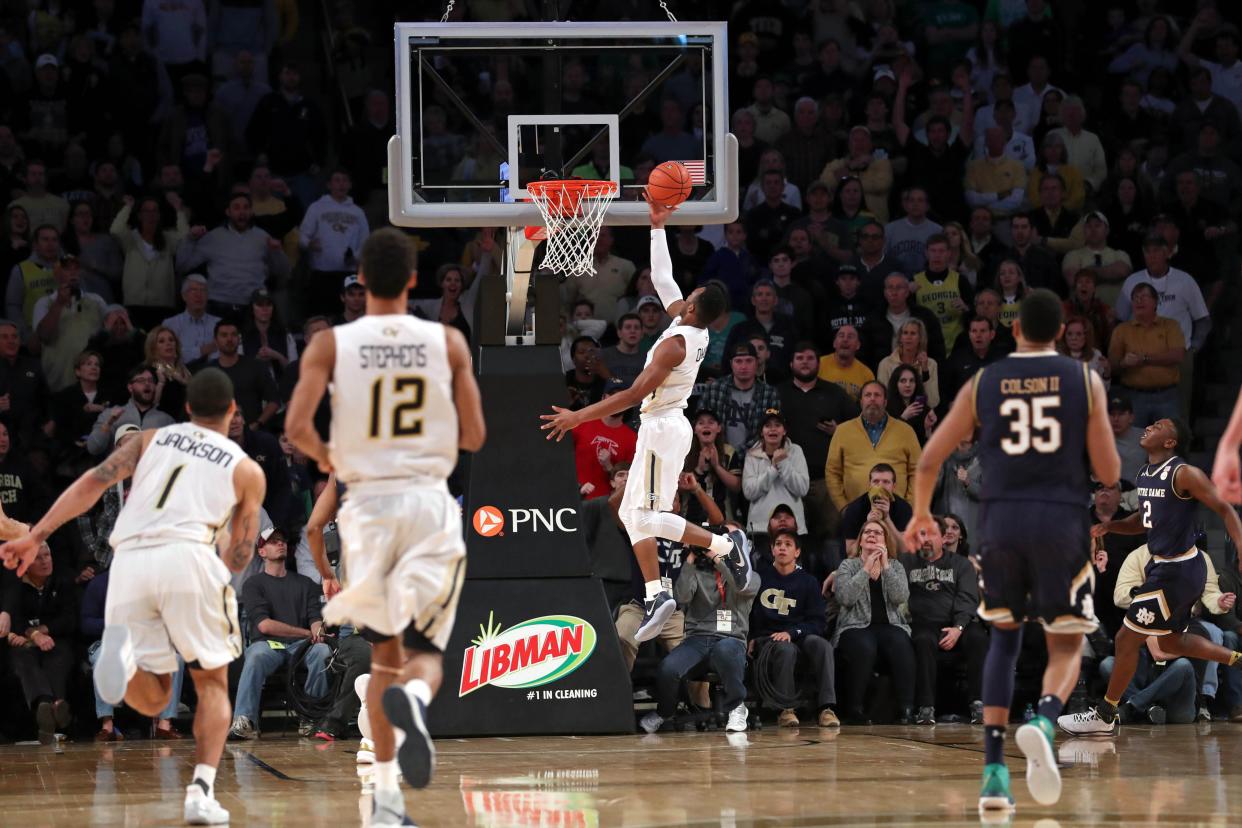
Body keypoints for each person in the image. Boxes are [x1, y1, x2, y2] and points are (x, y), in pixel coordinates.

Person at [1, 368, 267, 824]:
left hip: (127, 561)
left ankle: (121, 663)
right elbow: (240, 555)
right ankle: (201, 791)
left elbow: (90, 484)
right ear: (232, 411)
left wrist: (36, 535)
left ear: (184, 409)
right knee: (211, 685)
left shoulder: (150, 440)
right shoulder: (245, 468)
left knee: (151, 696)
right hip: (188, 557)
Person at [285, 228, 486, 828]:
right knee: (423, 659)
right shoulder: (447, 339)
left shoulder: (330, 345)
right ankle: (417, 706)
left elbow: (297, 428)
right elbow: (474, 436)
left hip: (368, 510)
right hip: (426, 506)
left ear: (361, 282)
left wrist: (334, 456)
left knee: (383, 659)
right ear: (416, 282)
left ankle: (386, 809)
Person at [903, 289, 1120, 816]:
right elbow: (1111, 471)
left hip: (999, 524)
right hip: (1060, 523)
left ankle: (995, 773)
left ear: (1015, 330)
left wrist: (921, 514)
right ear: (1059, 330)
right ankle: (1045, 720)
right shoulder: (1084, 379)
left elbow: (930, 456)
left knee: (1003, 638)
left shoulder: (983, 381)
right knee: (1066, 644)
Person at [542, 199, 750, 646]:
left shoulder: (675, 344)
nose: (682, 297)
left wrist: (579, 414)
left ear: (692, 309)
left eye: (688, 298)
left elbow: (634, 394)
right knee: (631, 514)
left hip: (662, 427)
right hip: (662, 426)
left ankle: (723, 547)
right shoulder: (693, 327)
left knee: (648, 516)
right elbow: (663, 278)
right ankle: (657, 593)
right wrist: (657, 227)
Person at [1058, 418, 1242, 737]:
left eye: (1159, 426)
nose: (1150, 428)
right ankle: (1237, 659)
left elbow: (1225, 509)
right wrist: (1111, 526)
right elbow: (1144, 521)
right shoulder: (1145, 473)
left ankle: (1105, 713)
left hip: (1178, 569)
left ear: (1171, 442)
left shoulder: (1184, 473)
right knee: (1172, 639)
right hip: (1166, 568)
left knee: (1126, 638)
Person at [640, 521, 760, 734]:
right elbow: (682, 597)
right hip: (697, 639)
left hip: (731, 639)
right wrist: (691, 558)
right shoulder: (696, 570)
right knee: (668, 668)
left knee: (726, 651)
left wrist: (717, 558)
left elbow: (743, 588)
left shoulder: (748, 576)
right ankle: (665, 712)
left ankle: (736, 708)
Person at [229, 527, 331, 740]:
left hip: (300, 647)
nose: (280, 543)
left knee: (322, 651)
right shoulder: (253, 584)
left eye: (282, 540)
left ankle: (310, 717)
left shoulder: (306, 584)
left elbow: (315, 619)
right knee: (256, 654)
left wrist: (317, 631)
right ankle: (245, 720)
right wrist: (307, 633)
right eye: (273, 541)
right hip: (269, 645)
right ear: (262, 552)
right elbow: (265, 626)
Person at [901, 518, 988, 725]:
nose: (926, 540)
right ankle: (926, 707)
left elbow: (968, 598)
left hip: (957, 623)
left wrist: (958, 628)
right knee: (923, 640)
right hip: (922, 622)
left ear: (943, 538)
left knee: (978, 638)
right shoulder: (906, 561)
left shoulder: (961, 564)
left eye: (931, 535)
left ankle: (978, 703)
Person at [749, 529, 839, 728]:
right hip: (769, 638)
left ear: (797, 552)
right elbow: (748, 614)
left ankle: (826, 708)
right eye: (778, 544)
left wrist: (793, 632)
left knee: (822, 646)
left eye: (788, 544)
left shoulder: (808, 581)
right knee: (785, 648)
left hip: (799, 634)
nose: (782, 547)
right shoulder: (759, 579)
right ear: (772, 549)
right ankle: (786, 709)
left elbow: (818, 622)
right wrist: (751, 637)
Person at [833, 519, 915, 724]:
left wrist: (885, 566)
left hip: (891, 625)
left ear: (886, 541)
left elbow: (900, 597)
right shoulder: (847, 565)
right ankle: (855, 708)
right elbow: (845, 598)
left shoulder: (895, 565)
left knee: (901, 642)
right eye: (867, 532)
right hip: (854, 625)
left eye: (877, 533)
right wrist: (866, 569)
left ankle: (906, 708)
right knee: (864, 645)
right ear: (860, 541)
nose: (871, 535)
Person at [825, 381, 922, 511]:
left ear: (885, 402)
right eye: (867, 395)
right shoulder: (843, 431)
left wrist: (908, 506)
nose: (872, 399)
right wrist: (843, 507)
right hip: (855, 511)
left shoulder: (906, 431)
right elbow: (832, 472)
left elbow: (918, 470)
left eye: (877, 395)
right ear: (860, 401)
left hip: (896, 511)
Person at [742, 409, 810, 536]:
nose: (772, 429)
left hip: (793, 528)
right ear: (762, 432)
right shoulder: (751, 455)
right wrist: (773, 469)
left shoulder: (796, 451)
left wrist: (783, 464)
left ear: (784, 431)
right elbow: (749, 492)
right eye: (767, 426)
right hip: (759, 528)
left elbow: (802, 489)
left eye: (777, 425)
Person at [571, 379, 636, 500]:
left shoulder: (632, 439)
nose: (616, 401)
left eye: (621, 397)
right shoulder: (581, 423)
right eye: (612, 396)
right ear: (603, 398)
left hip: (608, 505)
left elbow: (630, 482)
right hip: (576, 497)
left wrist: (609, 466)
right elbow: (562, 459)